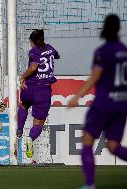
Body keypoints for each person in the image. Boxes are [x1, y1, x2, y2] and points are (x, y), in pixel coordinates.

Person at [67, 14, 127, 189]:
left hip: (103, 104)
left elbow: (95, 77)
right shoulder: (124, 51)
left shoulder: (102, 51)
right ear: (119, 29)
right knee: (114, 146)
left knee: (87, 140)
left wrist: (77, 96)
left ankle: (90, 184)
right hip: (121, 105)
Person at [16, 29, 60, 158]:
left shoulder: (34, 51)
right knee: (39, 123)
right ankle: (30, 138)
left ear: (32, 42)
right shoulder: (50, 48)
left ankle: (19, 128)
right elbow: (57, 56)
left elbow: (33, 67)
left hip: (29, 88)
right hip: (43, 90)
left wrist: (22, 77)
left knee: (23, 105)